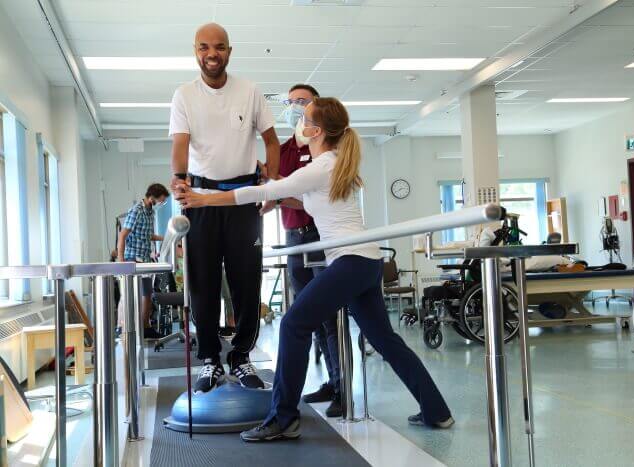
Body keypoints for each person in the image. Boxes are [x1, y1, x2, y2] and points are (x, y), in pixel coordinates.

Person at [175, 97, 454, 442]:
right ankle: (436, 410)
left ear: (317, 131)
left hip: (351, 260)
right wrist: (274, 191)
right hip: (367, 262)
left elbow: (267, 191)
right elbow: (296, 197)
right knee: (385, 339)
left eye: (304, 117)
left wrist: (204, 198)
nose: (298, 121)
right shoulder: (333, 164)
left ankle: (283, 418)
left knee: (294, 324)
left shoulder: (322, 166)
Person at [169, 23, 280, 393]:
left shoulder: (249, 91)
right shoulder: (184, 95)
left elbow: (271, 141)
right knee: (202, 283)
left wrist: (271, 185)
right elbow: (181, 144)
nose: (211, 54)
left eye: (218, 47)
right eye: (204, 47)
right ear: (195, 50)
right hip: (200, 201)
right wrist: (180, 178)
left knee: (247, 281)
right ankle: (211, 360)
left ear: (229, 51)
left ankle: (242, 357)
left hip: (243, 198)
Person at [260, 83, 342, 417]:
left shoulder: (325, 149)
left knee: (330, 316)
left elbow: (304, 195)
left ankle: (343, 385)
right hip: (295, 236)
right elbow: (276, 190)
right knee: (310, 317)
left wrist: (277, 191)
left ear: (317, 109)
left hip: (322, 235)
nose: (295, 107)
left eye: (302, 102)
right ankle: (330, 383)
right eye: (291, 102)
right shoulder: (283, 149)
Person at [117, 183, 169, 339]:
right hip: (132, 259)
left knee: (147, 294)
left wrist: (166, 238)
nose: (161, 203)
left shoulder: (149, 213)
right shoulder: (136, 211)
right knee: (131, 295)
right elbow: (122, 235)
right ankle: (123, 327)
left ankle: (145, 327)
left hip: (144, 260)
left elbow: (148, 235)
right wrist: (121, 261)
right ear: (152, 197)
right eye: (161, 200)